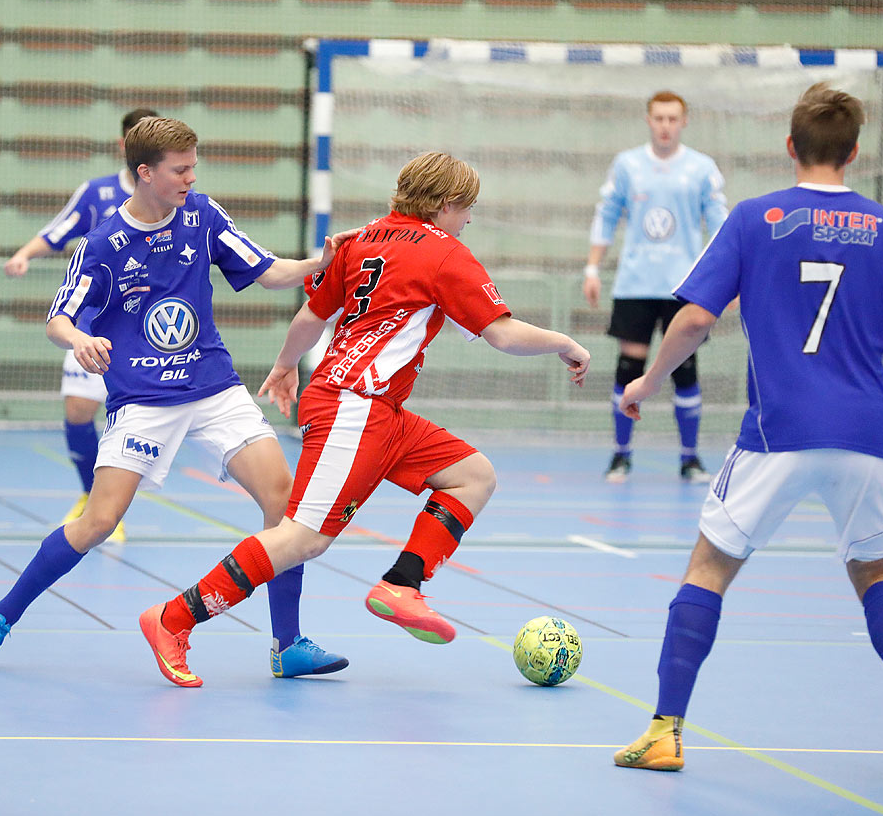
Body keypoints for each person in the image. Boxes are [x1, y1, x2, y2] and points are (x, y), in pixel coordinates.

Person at [135, 152, 591, 687]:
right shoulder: (447, 255)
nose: (469, 220)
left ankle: (402, 585)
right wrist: (566, 342)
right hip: (355, 404)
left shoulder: (366, 237)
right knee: (301, 539)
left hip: (380, 408)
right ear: (446, 205)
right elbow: (503, 334)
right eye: (467, 209)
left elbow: (311, 315)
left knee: (473, 475)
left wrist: (285, 366)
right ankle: (173, 618)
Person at [611, 83, 883, 778]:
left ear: (791, 148)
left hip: (777, 431)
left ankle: (664, 730)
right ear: (855, 152)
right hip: (867, 433)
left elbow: (696, 319)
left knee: (708, 570)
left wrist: (648, 382)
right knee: (879, 573)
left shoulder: (753, 218)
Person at [0, 116, 349, 680]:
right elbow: (58, 320)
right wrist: (81, 338)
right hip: (143, 399)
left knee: (284, 504)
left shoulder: (204, 215)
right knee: (97, 522)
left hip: (213, 386)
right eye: (181, 169)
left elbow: (268, 272)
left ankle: (286, 645)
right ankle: (1, 615)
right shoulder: (102, 245)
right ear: (145, 173)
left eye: (194, 166)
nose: (192, 176)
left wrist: (318, 263)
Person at [4, 106, 158, 535]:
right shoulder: (97, 192)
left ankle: (110, 506)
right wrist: (24, 254)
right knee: (77, 412)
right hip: (91, 321)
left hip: (144, 328)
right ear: (125, 145)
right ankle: (94, 500)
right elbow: (58, 231)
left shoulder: (172, 196)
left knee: (129, 418)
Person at [583, 91, 727, 485]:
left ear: (684, 122)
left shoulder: (701, 169)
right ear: (649, 120)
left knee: (685, 368)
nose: (665, 125)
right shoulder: (628, 165)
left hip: (685, 286)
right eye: (659, 118)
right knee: (629, 366)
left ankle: (690, 459)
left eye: (673, 118)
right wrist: (592, 268)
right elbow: (606, 214)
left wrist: (727, 281)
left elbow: (721, 227)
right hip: (636, 283)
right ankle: (620, 455)